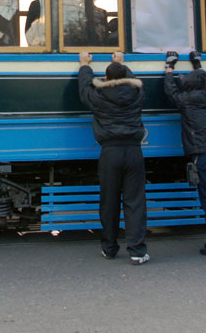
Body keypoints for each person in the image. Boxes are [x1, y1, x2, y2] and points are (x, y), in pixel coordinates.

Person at [77, 51, 150, 264]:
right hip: (133, 150)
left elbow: (84, 89)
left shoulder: (99, 96)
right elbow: (133, 82)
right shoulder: (137, 94)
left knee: (109, 202)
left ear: (106, 78)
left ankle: (109, 248)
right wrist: (121, 64)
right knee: (135, 201)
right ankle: (137, 251)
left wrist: (85, 65)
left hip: (110, 152)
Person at [164, 50, 206, 257]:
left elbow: (170, 90)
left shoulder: (185, 100)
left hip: (201, 156)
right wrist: (197, 64)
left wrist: (169, 68)